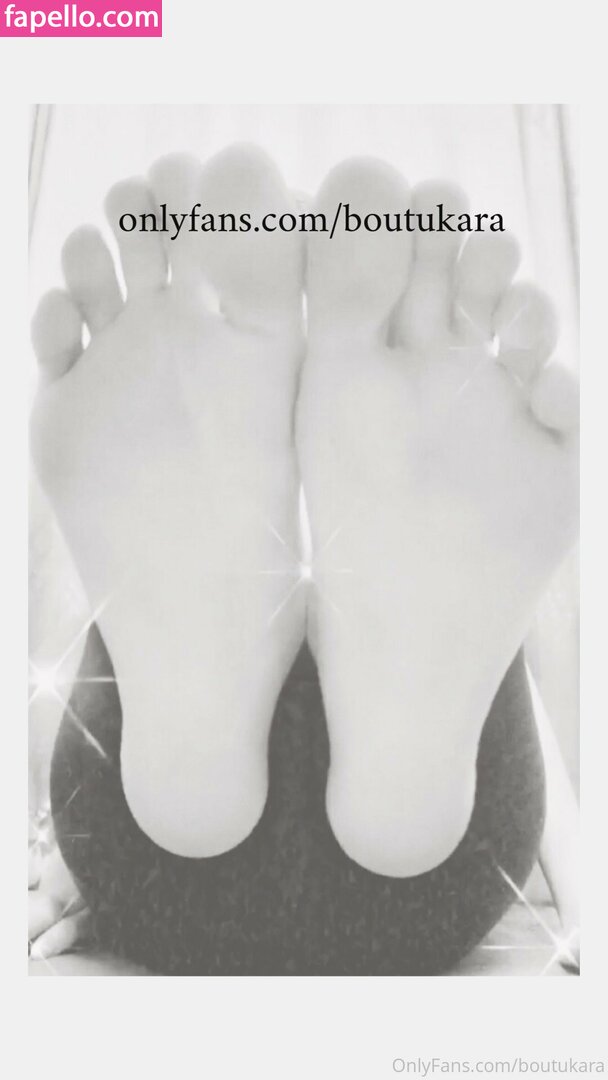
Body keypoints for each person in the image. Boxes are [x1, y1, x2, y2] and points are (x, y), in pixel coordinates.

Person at [28, 145, 580, 975]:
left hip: (151, 871)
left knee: (142, 644)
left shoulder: (192, 523)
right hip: (442, 883)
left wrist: (61, 864)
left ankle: (196, 762)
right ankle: (391, 779)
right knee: (474, 662)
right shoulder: (426, 542)